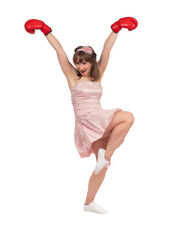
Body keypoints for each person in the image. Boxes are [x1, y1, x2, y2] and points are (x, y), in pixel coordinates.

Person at [24, 17, 138, 214]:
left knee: (103, 166)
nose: (80, 66)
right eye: (78, 63)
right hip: (87, 121)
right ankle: (106, 155)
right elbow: (59, 51)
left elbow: (107, 49)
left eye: (84, 62)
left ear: (91, 62)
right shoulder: (72, 77)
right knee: (127, 117)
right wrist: (45, 30)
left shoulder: (97, 75)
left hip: (98, 118)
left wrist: (116, 28)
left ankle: (89, 202)